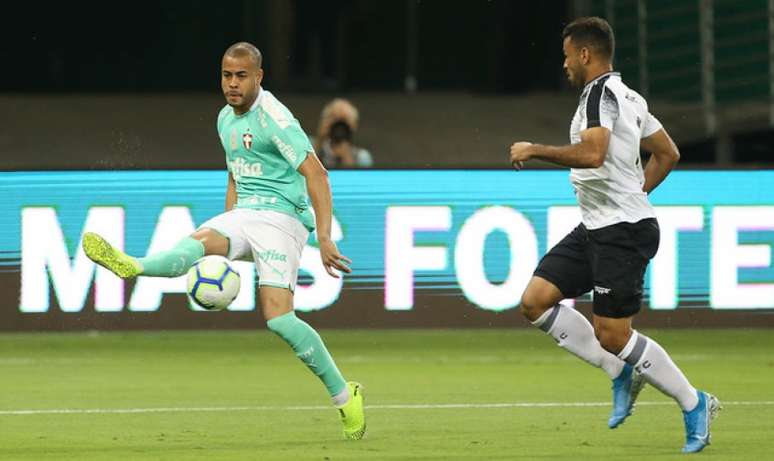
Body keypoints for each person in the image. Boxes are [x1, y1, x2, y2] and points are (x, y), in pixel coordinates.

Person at [81, 42, 366, 440]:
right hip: (245, 212)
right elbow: (236, 173)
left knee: (280, 320)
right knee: (198, 241)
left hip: (282, 218)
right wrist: (229, 227)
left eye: (241, 76)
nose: (232, 84)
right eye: (226, 76)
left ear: (258, 77)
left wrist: (324, 236)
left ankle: (344, 395)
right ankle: (136, 265)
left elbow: (317, 174)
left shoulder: (274, 118)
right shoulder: (224, 120)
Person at [509, 17, 719, 453]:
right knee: (534, 301)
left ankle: (694, 402)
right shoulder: (629, 96)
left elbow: (592, 153)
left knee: (614, 334)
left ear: (585, 54)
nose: (564, 63)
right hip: (597, 225)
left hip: (621, 232)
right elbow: (668, 153)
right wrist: (634, 191)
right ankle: (619, 371)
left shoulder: (599, 95)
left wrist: (535, 150)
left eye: (567, 55)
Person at [314, 98, 373, 168]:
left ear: (354, 126)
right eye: (333, 119)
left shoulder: (361, 157)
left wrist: (347, 157)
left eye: (343, 121)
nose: (338, 127)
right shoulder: (307, 147)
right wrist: (319, 141)